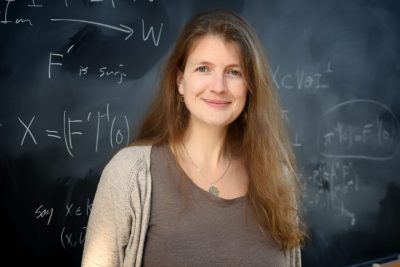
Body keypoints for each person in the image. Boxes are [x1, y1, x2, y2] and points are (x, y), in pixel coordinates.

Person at [82, 8, 305, 267]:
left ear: (250, 85)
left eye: (234, 72)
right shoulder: (130, 173)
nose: (218, 86)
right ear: (180, 82)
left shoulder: (277, 180)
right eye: (203, 69)